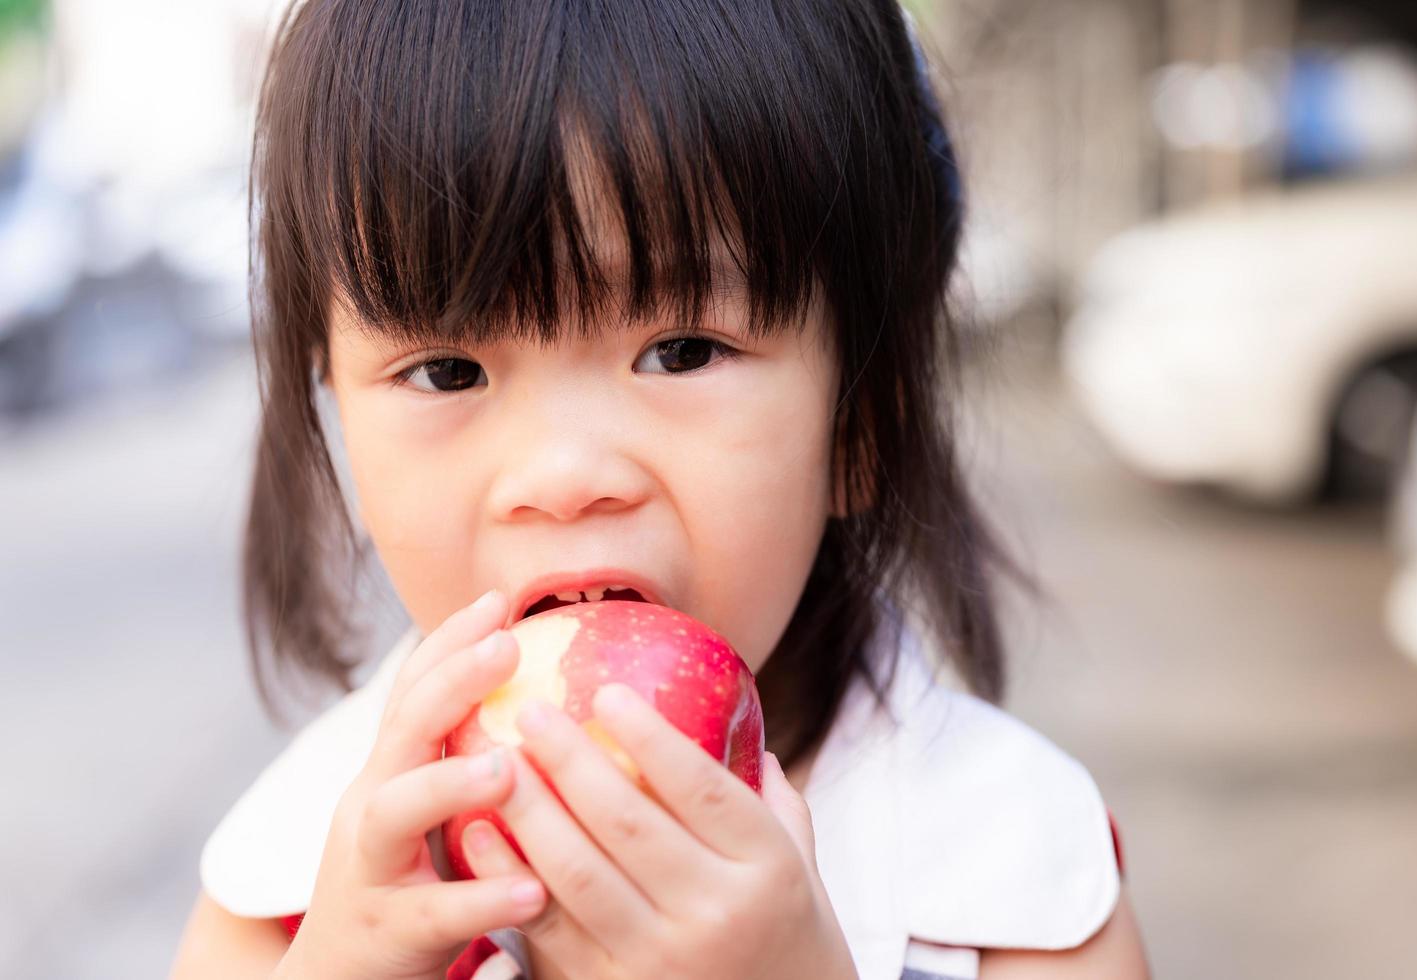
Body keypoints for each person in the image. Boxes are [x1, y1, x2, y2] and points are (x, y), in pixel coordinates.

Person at [171, 0, 1150, 977]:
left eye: (680, 351)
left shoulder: (1014, 892)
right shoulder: (286, 896)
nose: (563, 478)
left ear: (861, 418)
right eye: (447, 371)